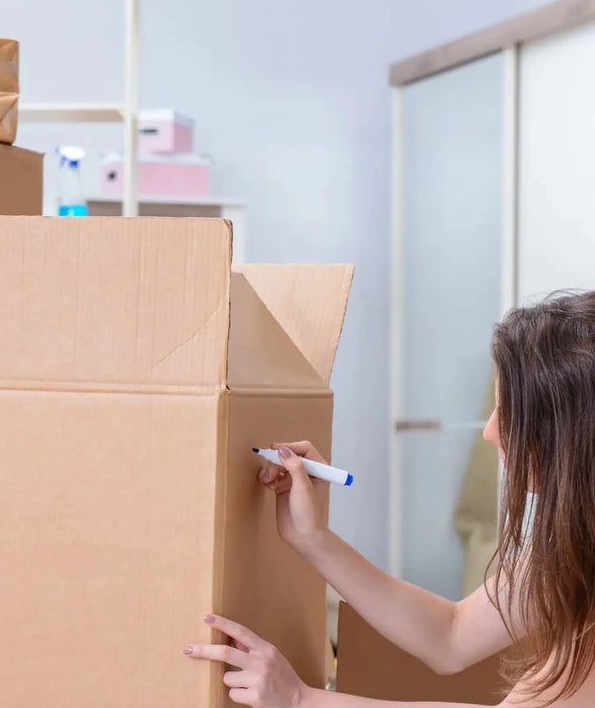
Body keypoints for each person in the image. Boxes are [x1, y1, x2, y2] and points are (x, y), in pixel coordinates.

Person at [184, 291, 595, 707]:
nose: (489, 432)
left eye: (508, 412)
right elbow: (452, 635)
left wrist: (299, 699)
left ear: (572, 434)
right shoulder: (577, 541)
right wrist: (314, 538)